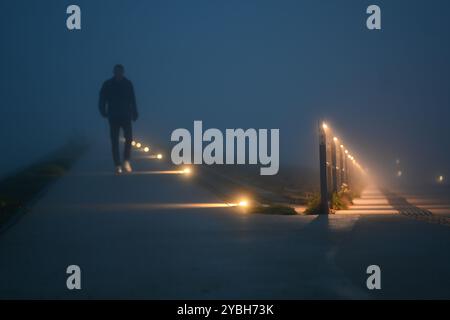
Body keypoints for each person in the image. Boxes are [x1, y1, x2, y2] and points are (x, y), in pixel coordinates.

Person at [98, 64, 138, 174]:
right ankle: (117, 165)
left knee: (129, 138)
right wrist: (103, 111)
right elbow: (102, 98)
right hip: (113, 116)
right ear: (114, 72)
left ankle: (126, 160)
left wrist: (135, 112)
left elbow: (132, 99)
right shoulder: (108, 84)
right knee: (114, 141)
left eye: (120, 71)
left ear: (123, 72)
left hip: (126, 115)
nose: (118, 73)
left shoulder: (128, 84)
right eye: (116, 71)